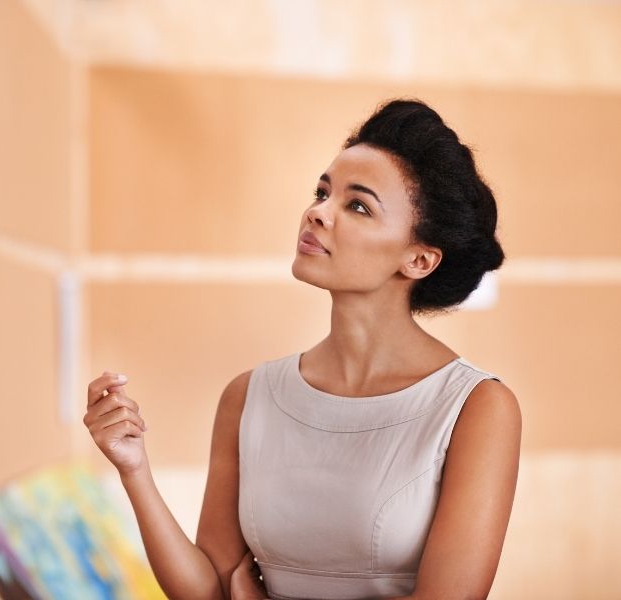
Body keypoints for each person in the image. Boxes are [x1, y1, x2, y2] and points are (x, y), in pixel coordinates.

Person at [84, 98, 521, 600]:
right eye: (321, 192)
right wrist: (133, 468)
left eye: (357, 205)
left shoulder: (475, 409)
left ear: (419, 259)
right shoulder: (250, 396)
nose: (317, 214)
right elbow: (209, 590)